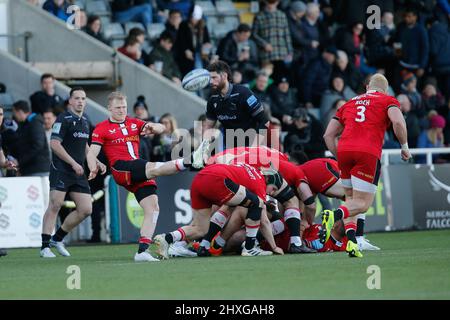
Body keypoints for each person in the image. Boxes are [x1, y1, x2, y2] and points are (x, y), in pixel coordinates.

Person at [86, 91, 205, 262]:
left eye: (124, 107)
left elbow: (162, 128)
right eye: (118, 107)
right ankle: (192, 159)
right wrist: (93, 167)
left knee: (153, 207)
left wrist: (154, 128)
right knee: (152, 168)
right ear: (109, 108)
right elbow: (92, 153)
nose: (121, 110)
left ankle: (142, 251)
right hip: (121, 168)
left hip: (136, 168)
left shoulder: (134, 123)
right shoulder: (101, 128)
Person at [322, 74, 411, 258]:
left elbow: (328, 135)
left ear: (367, 87)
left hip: (345, 150)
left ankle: (353, 243)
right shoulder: (388, 100)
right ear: (384, 89)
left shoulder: (349, 102)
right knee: (362, 204)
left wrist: (339, 157)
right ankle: (334, 215)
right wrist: (404, 146)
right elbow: (398, 122)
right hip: (367, 152)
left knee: (351, 199)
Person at [152, 163, 285, 259]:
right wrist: (274, 247)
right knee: (257, 204)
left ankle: (167, 238)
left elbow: (230, 204)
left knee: (200, 229)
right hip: (217, 178)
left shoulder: (251, 170)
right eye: (273, 189)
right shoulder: (260, 182)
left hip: (199, 178)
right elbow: (264, 221)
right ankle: (250, 248)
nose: (272, 193)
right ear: (268, 179)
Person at [40, 87, 106, 258]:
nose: (80, 101)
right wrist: (73, 163)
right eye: (76, 98)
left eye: (83, 98)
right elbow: (54, 144)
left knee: (86, 209)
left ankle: (57, 238)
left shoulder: (84, 121)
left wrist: (96, 161)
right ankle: (45, 246)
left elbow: (84, 145)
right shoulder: (63, 119)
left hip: (77, 172)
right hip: (61, 169)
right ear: (70, 101)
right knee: (55, 205)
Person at [203, 61, 270, 151]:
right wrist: (203, 149)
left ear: (224, 76)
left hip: (250, 145)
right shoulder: (212, 99)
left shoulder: (243, 93)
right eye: (209, 78)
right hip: (229, 147)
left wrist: (253, 148)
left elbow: (265, 121)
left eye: (214, 77)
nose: (211, 81)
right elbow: (208, 127)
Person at [252, 0, 293, 82]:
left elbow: (287, 35)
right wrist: (264, 44)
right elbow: (253, 34)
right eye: (269, 2)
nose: (270, 4)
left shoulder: (282, 15)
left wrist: (290, 52)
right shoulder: (259, 16)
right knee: (265, 79)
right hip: (266, 54)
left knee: (280, 79)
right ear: (265, 2)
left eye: (273, 2)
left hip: (281, 54)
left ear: (277, 2)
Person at [12, 101, 51, 176]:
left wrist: (20, 161)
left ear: (20, 112)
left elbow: (38, 145)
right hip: (30, 169)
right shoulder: (25, 124)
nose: (14, 115)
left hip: (38, 170)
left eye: (14, 112)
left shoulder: (35, 123)